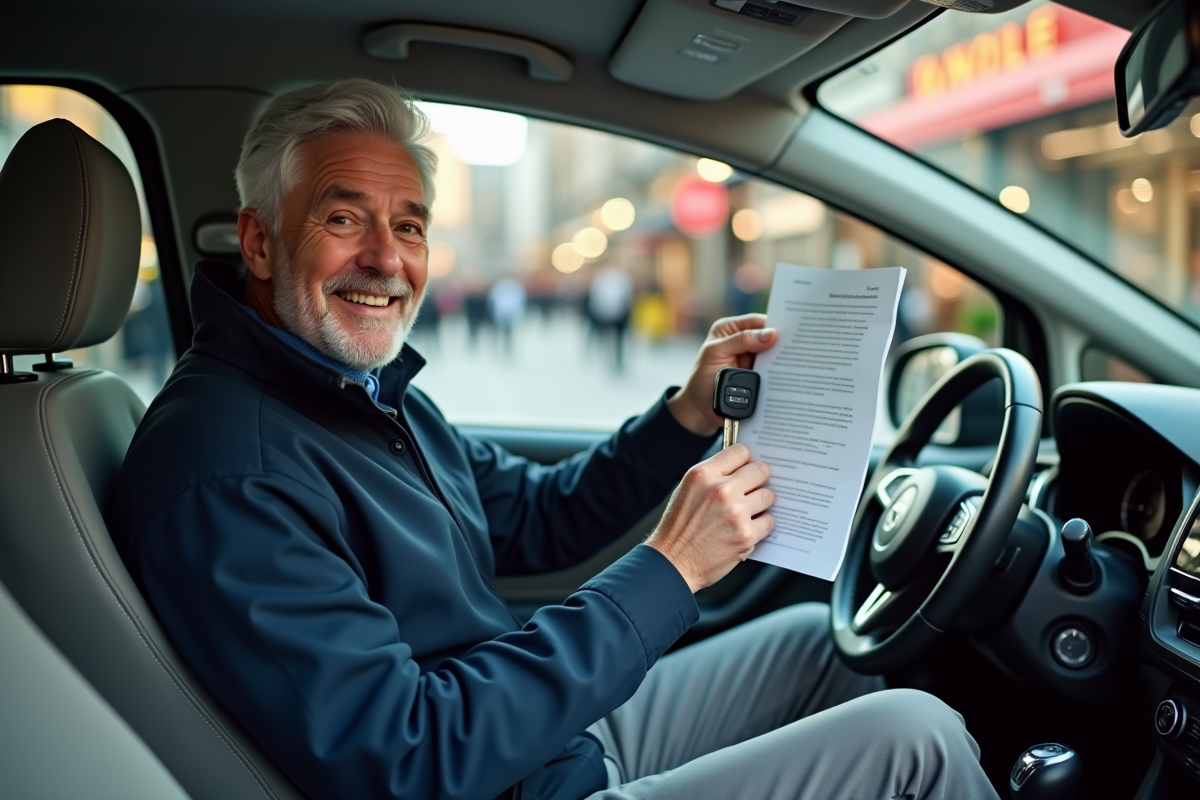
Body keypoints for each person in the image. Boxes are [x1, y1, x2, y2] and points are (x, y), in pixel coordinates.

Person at [112, 79, 1000, 800]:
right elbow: (411, 758)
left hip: (537, 743)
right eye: (345, 220)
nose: (388, 258)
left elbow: (537, 519)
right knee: (911, 739)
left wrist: (685, 417)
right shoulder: (228, 469)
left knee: (816, 644)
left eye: (410, 224)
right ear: (261, 244)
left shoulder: (358, 392)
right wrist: (672, 566)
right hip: (493, 777)